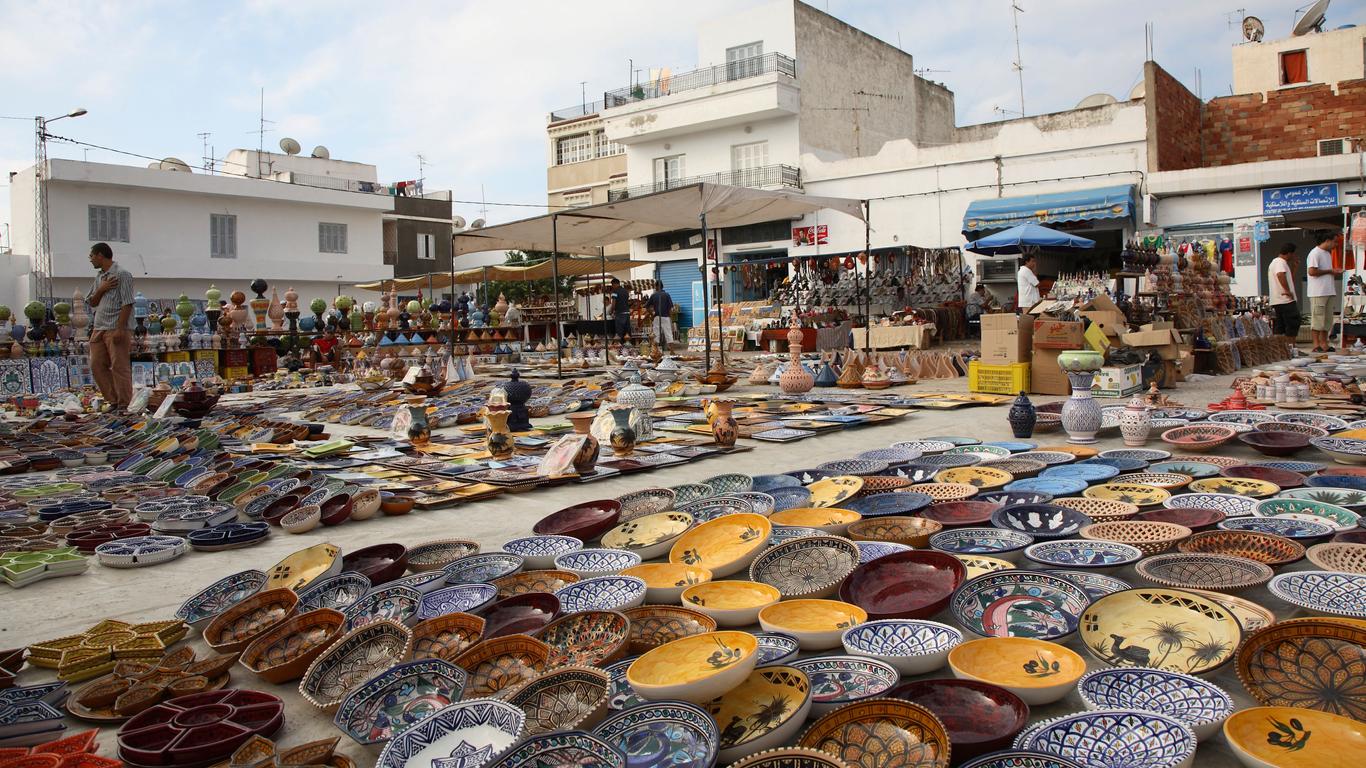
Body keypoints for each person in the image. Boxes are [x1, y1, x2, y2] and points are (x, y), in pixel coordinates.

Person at [86, 242, 135, 410]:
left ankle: (124, 404)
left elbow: (127, 303)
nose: (90, 260)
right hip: (99, 327)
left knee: (119, 366)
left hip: (116, 327)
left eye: (92, 256)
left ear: (100, 255)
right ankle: (112, 400)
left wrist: (121, 329)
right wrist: (101, 289)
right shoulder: (100, 277)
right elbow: (92, 301)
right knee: (97, 365)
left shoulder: (122, 275)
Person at [1306, 231, 1343, 352]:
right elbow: (1311, 272)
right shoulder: (1314, 253)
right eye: (1335, 241)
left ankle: (1324, 343)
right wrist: (1330, 271)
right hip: (1318, 292)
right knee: (1318, 318)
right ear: (1327, 240)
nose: (1335, 244)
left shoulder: (1327, 254)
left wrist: (1333, 271)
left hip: (1328, 290)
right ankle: (1316, 345)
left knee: (1327, 320)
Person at [1269, 243, 1302, 342]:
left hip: (1279, 300)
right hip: (1285, 300)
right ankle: (1291, 347)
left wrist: (1294, 268)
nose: (1294, 256)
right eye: (1293, 254)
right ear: (1289, 253)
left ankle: (1283, 348)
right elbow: (1280, 275)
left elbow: (1288, 279)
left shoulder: (1277, 263)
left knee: (1281, 325)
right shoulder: (1280, 262)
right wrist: (1287, 291)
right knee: (1293, 323)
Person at [644, 280, 675, 345]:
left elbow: (647, 306)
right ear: (662, 286)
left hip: (657, 317)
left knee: (656, 334)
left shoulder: (653, 295)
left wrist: (652, 314)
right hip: (666, 317)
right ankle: (672, 350)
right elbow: (670, 308)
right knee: (668, 333)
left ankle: (656, 350)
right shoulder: (667, 295)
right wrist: (670, 319)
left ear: (657, 286)